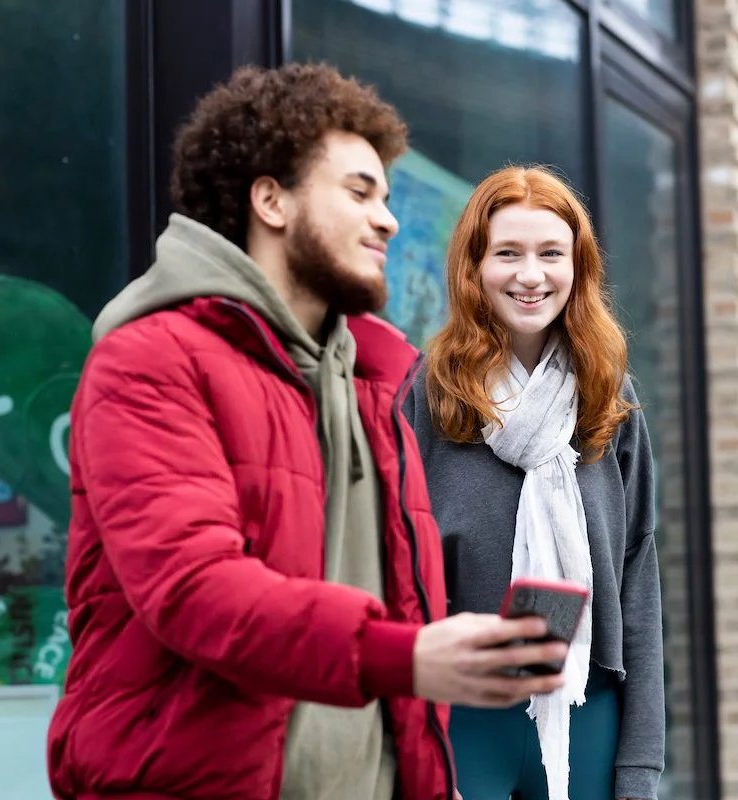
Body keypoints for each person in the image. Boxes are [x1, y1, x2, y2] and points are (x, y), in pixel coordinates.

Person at [46, 66, 570, 800]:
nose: (387, 219)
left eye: (386, 196)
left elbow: (400, 607)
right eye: (359, 192)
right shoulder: (147, 360)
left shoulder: (380, 386)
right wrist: (408, 656)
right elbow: (195, 590)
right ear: (271, 200)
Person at [404, 165, 665, 800]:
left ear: (578, 269)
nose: (530, 275)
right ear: (474, 267)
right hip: (462, 710)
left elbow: (637, 574)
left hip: (587, 705)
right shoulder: (426, 395)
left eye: (551, 253)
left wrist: (639, 766)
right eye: (507, 254)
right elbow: (398, 568)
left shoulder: (610, 397)